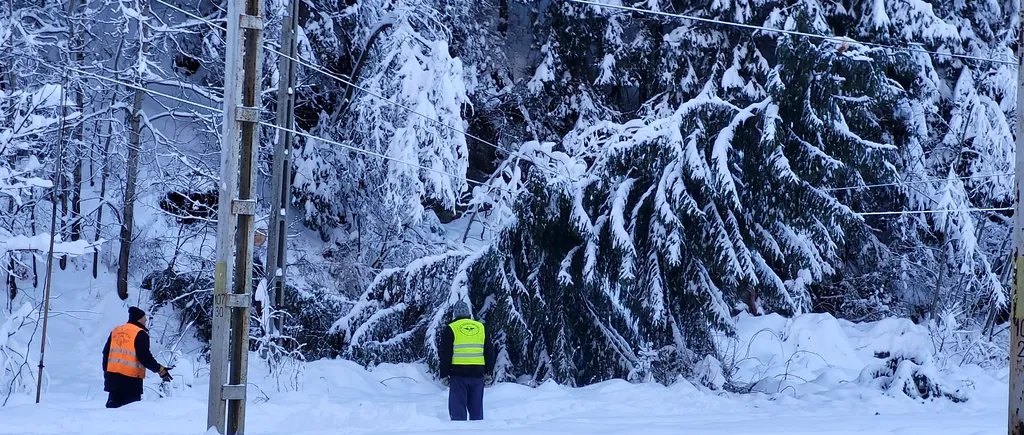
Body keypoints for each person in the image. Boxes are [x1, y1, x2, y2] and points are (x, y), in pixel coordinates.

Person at [101, 306, 173, 408]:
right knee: (130, 413)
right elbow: (145, 357)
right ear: (139, 319)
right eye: (145, 320)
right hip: (130, 382)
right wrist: (160, 370)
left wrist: (106, 372)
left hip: (113, 379)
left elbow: (106, 353)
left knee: (112, 411)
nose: (146, 322)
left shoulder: (116, 331)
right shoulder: (140, 334)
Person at [438, 300, 495, 421]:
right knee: (476, 412)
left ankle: (459, 431)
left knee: (458, 412)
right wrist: (488, 372)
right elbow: (489, 351)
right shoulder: (481, 327)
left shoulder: (451, 328)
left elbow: (446, 354)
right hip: (478, 374)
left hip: (458, 375)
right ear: (468, 314)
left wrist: (443, 374)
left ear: (455, 315)